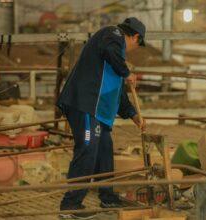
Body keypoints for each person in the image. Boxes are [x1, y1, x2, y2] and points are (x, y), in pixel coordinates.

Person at [56, 17, 147, 219]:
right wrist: (126, 72)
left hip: (100, 114)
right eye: (137, 44)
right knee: (87, 151)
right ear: (135, 37)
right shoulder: (112, 35)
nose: (134, 48)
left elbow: (119, 94)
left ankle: (108, 197)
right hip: (86, 105)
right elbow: (111, 51)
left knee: (104, 153)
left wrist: (133, 115)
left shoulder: (116, 59)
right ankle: (70, 206)